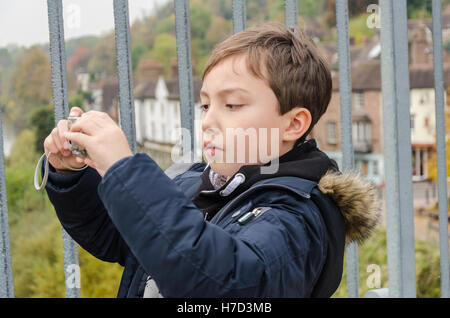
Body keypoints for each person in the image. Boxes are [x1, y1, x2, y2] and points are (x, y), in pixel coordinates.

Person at [42, 22, 380, 297]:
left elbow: (223, 284)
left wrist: (125, 170)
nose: (207, 121)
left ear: (293, 124)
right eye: (206, 105)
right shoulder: (193, 182)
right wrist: (72, 176)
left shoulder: (295, 217)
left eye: (231, 105)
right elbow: (117, 235)